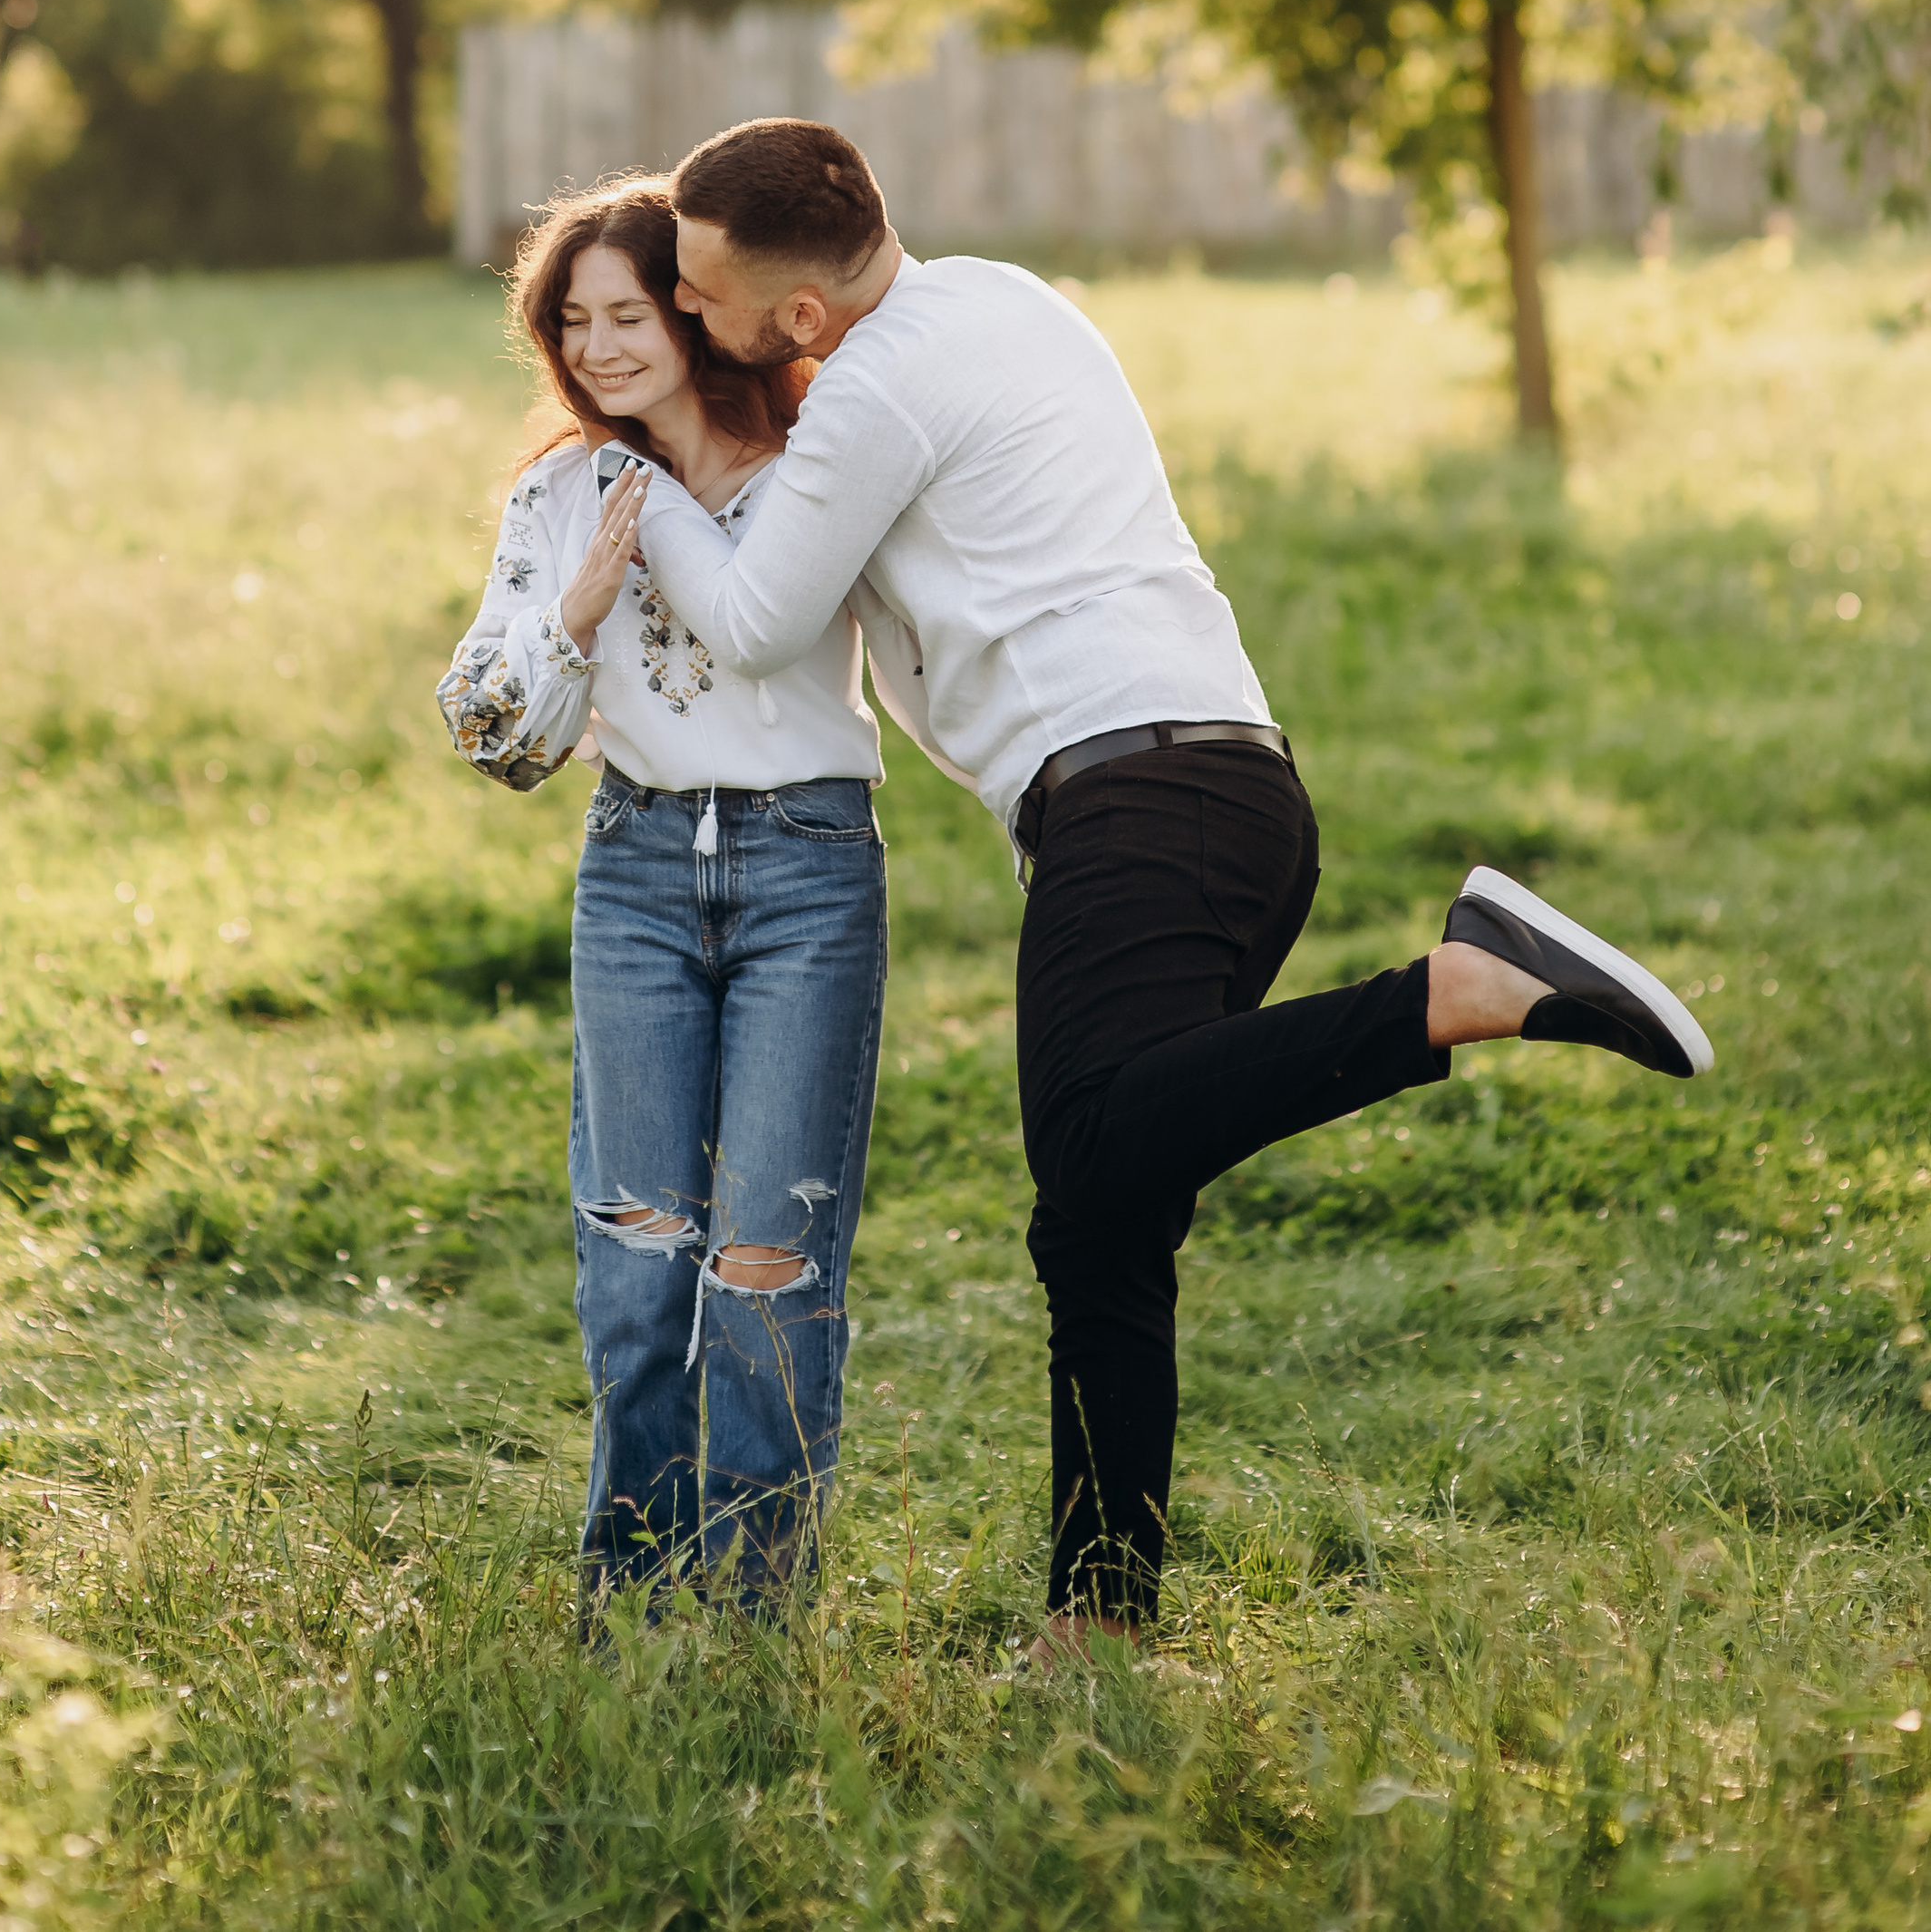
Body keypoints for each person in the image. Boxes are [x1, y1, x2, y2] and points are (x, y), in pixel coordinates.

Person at [627, 115, 1713, 1639]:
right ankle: (1101, 1623)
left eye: (702, 291)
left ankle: (1457, 991)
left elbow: (748, 620)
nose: (688, 312)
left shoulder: (872, 386)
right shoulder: (1004, 297)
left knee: (1085, 1143)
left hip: (1132, 797)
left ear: (801, 318)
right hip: (1231, 791)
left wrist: (647, 500)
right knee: (1103, 1221)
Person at [435, 171, 887, 1607]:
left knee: (766, 1264)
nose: (601, 347)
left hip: (808, 876)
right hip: (633, 869)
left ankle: (759, 1603)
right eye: (572, 322)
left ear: (695, 313)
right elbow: (491, 729)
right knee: (638, 1266)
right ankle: (627, 1583)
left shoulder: (820, 463)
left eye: (629, 310)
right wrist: (572, 615)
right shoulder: (559, 496)